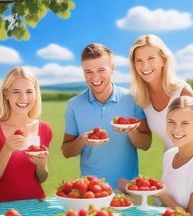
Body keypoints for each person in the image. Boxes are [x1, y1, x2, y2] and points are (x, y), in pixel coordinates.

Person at [61, 43, 151, 188]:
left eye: (101, 70)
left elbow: (146, 144)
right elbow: (66, 151)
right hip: (91, 190)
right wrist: (82, 140)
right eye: (88, 71)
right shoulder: (74, 105)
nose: (95, 77)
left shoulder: (133, 98)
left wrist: (131, 131)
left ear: (112, 69)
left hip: (127, 189)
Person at [0, 67, 52, 204]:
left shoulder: (44, 129)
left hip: (35, 205)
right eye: (16, 92)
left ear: (36, 94)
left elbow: (41, 178)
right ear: (6, 94)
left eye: (29, 92)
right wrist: (7, 150)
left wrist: (41, 164)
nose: (23, 98)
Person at [129, 34, 193, 151]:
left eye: (151, 58)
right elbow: (144, 143)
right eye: (139, 60)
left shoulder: (182, 92)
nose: (145, 66)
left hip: (192, 162)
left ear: (163, 60)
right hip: (170, 161)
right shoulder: (140, 98)